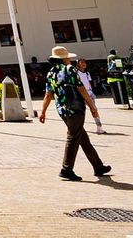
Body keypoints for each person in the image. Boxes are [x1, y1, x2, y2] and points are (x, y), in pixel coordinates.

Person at [40, 46, 110, 181]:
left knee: (82, 137)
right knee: (73, 137)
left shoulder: (51, 73)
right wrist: (92, 106)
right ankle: (66, 169)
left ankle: (98, 166)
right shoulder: (70, 70)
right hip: (75, 109)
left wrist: (43, 111)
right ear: (64, 58)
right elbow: (81, 88)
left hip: (62, 109)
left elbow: (48, 94)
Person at [76, 58, 105, 135]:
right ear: (78, 64)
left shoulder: (87, 73)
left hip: (90, 93)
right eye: (81, 62)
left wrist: (91, 91)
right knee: (80, 112)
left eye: (84, 62)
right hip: (81, 94)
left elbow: (89, 82)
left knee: (94, 109)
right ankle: (78, 128)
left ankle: (99, 127)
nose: (83, 64)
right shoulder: (76, 73)